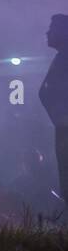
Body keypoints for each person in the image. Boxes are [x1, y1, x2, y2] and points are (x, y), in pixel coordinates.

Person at [38, 13, 68, 213]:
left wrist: (61, 118)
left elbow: (46, 93)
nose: (47, 33)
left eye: (52, 29)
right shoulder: (61, 58)